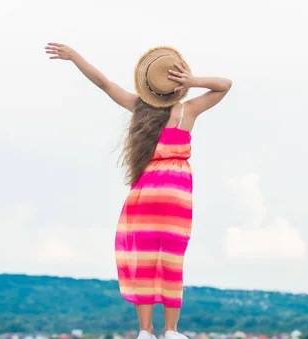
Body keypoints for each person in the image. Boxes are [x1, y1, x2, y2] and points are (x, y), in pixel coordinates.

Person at [44, 43, 232, 339]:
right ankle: (171, 329)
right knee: (171, 260)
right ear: (176, 85)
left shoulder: (139, 108)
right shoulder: (187, 111)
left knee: (143, 259)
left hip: (145, 195)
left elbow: (103, 83)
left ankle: (146, 330)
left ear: (147, 86)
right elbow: (225, 86)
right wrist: (193, 81)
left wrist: (75, 56)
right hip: (177, 196)